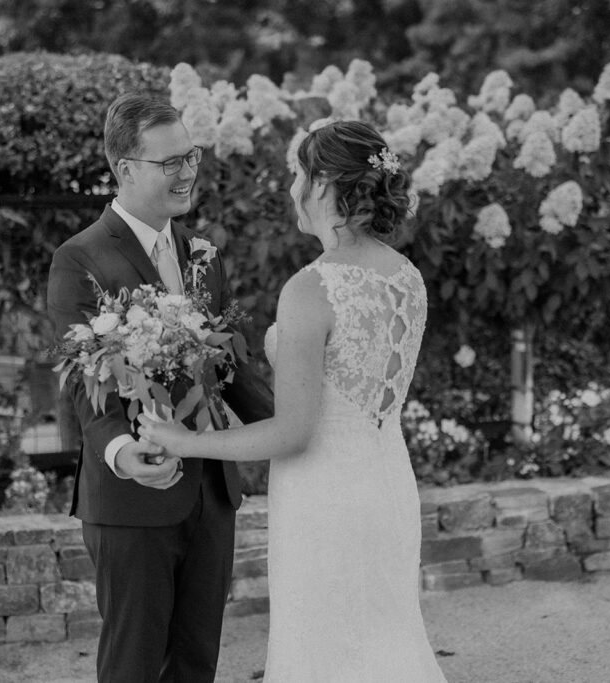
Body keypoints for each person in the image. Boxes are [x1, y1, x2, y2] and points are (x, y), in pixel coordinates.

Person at [140, 120, 446, 682]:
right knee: (386, 641)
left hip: (324, 495)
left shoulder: (313, 287)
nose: (290, 189)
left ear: (326, 183)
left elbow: (293, 432)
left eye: (297, 174)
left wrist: (187, 441)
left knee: (325, 652)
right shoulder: (406, 277)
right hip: (388, 484)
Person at [46, 93, 274, 682]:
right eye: (169, 161)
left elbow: (231, 371)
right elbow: (83, 383)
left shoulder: (202, 254)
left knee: (196, 663)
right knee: (134, 666)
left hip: (212, 494)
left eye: (190, 156)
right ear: (125, 168)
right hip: (131, 498)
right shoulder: (80, 259)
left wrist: (297, 428)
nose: (187, 172)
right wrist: (123, 453)